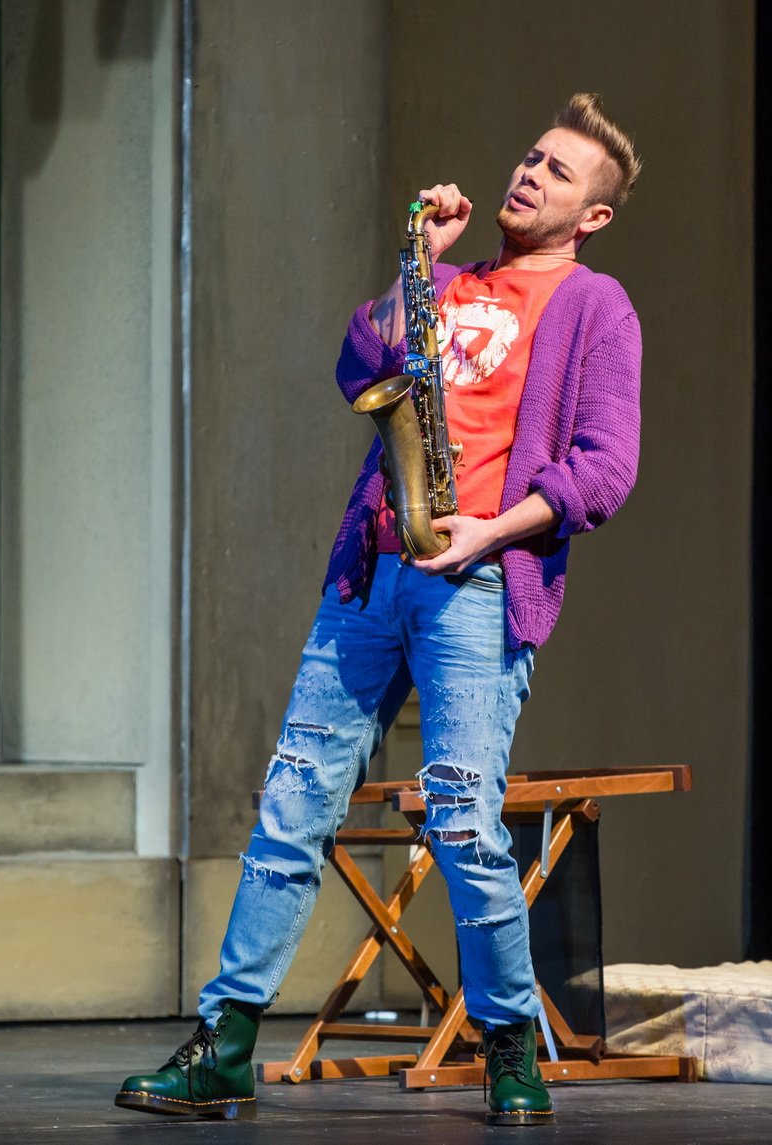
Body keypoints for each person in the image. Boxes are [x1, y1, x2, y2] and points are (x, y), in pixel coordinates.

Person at [115, 92, 641, 1127]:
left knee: (463, 818)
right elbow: (359, 367)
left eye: (557, 171)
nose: (529, 173)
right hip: (372, 576)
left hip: (478, 580)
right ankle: (225, 1042)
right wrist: (418, 260)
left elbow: (605, 468)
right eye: (530, 155)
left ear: (593, 215)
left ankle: (508, 1048)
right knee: (292, 803)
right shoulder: (445, 280)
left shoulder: (596, 307)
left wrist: (488, 533)